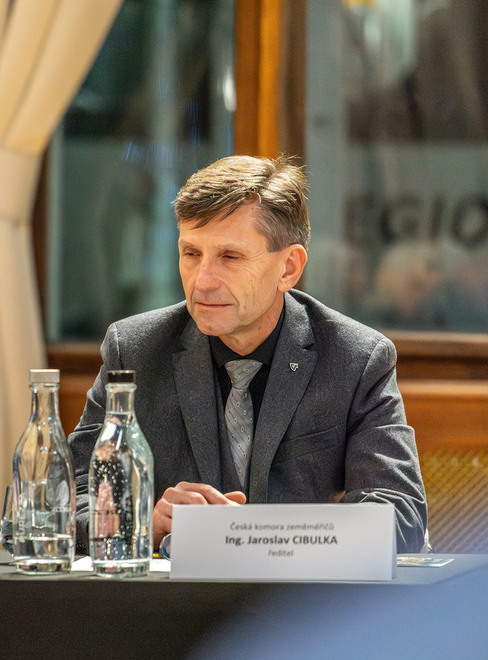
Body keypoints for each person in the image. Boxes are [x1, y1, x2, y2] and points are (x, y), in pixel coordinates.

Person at [69, 155, 427, 553]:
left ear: (288, 268)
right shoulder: (135, 351)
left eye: (230, 257)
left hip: (299, 592)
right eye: (191, 254)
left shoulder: (356, 359)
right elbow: (64, 500)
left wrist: (258, 535)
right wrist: (140, 523)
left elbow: (402, 516)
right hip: (176, 592)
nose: (202, 282)